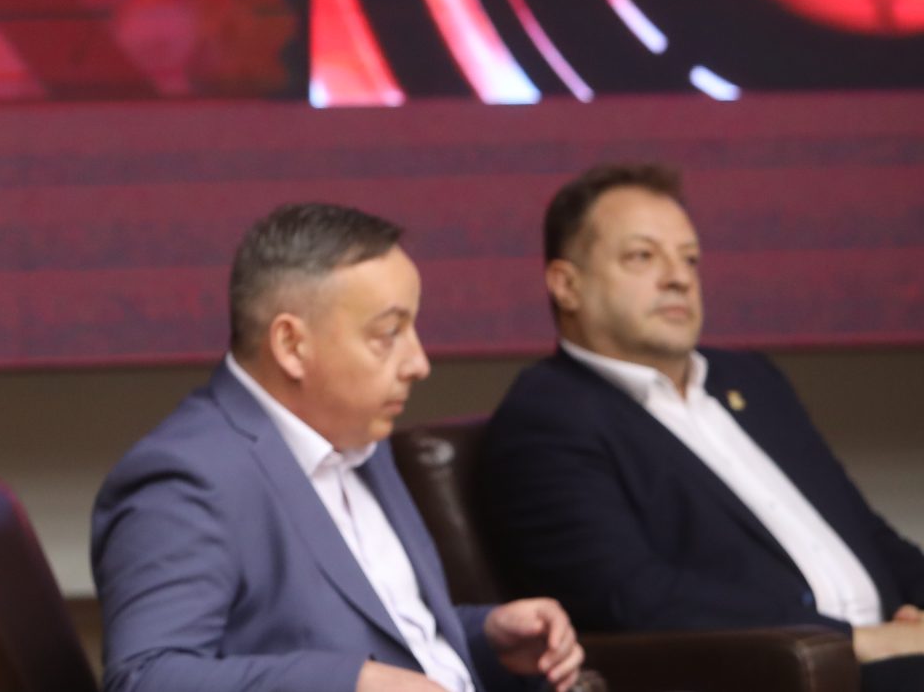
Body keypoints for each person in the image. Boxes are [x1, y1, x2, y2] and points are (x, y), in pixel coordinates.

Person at [93, 203, 583, 692]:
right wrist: (350, 684)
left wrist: (486, 637)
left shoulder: (359, 435)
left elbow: (381, 630)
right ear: (292, 345)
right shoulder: (187, 478)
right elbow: (145, 679)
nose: (418, 363)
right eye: (388, 334)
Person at [480, 163, 924, 691]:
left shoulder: (751, 379)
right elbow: (632, 597)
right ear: (566, 285)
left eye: (689, 258)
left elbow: (866, 533)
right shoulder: (547, 418)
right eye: (642, 256)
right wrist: (853, 640)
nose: (679, 277)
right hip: (783, 674)